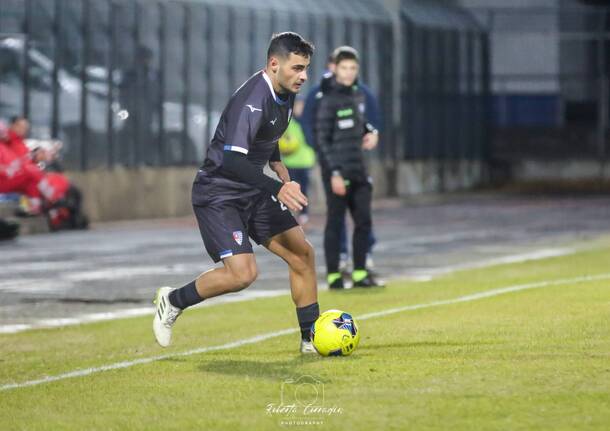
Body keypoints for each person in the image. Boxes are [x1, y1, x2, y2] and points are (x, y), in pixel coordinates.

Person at [152, 32, 320, 354]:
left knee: (302, 254)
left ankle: (311, 339)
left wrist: (276, 161)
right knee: (242, 275)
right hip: (219, 192)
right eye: (297, 68)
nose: (304, 76)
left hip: (252, 188)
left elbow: (268, 134)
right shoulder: (252, 100)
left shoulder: (285, 90)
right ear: (274, 64)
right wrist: (279, 187)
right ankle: (172, 300)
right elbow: (232, 159)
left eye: (306, 68)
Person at [301, 49, 381, 273]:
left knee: (362, 218)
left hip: (358, 165)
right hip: (334, 166)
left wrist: (373, 132)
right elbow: (316, 131)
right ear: (333, 67)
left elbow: (369, 121)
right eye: (343, 67)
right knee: (336, 219)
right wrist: (330, 165)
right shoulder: (321, 96)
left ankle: (361, 266)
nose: (347, 72)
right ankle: (336, 270)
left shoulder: (361, 93)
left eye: (352, 68)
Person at [278, 96, 315, 226]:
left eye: (301, 105)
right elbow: (281, 139)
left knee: (304, 189)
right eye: (296, 105)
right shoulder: (287, 121)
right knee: (290, 190)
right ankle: (289, 217)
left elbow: (313, 140)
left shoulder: (307, 121)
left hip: (306, 162)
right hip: (291, 162)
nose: (299, 108)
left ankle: (304, 217)